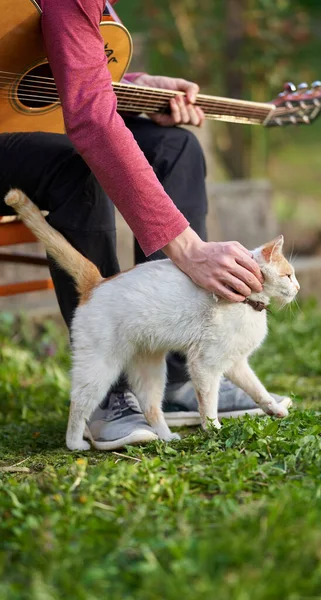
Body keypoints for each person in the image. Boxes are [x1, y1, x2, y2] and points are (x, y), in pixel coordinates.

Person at [0, 0, 286, 450]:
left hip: (30, 129)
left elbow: (59, 70)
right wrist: (189, 249)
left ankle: (176, 376)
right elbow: (90, 119)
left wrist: (131, 88)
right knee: (75, 164)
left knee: (176, 146)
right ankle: (108, 393)